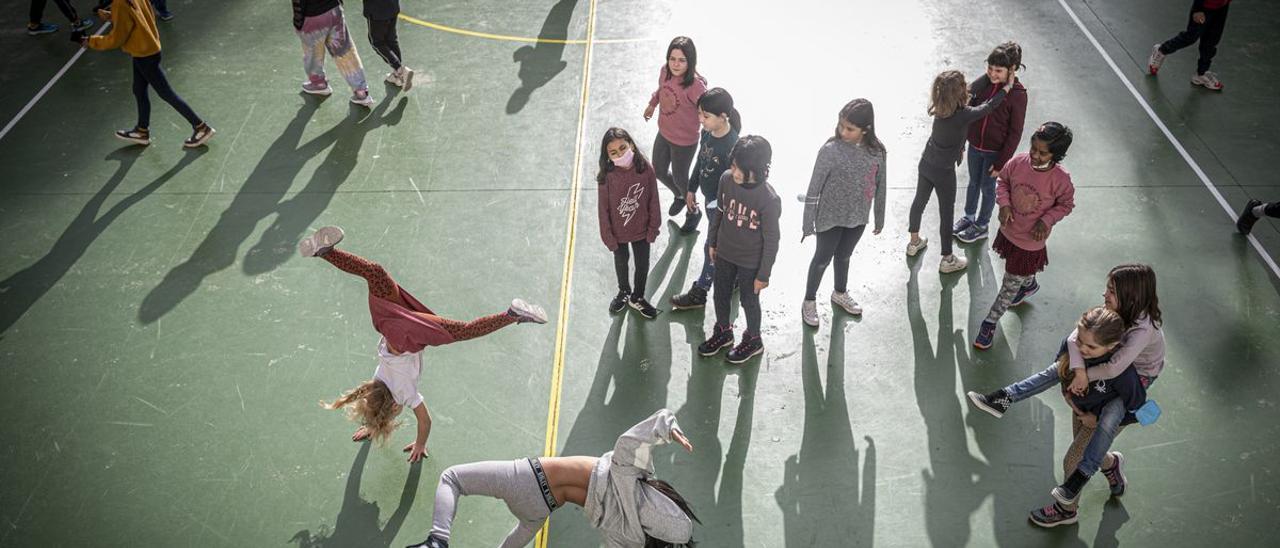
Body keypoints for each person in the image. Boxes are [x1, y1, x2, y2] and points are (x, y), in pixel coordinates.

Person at [297, 226, 548, 463]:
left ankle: (512, 315)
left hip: (405, 335)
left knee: (464, 330)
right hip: (388, 324)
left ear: (394, 409)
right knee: (375, 273)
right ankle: (327, 254)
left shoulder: (404, 394)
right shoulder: (377, 381)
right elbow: (370, 396)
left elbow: (425, 422)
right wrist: (372, 424)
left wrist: (418, 443)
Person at [408, 409, 699, 548]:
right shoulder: (629, 537)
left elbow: (629, 444)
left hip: (526, 479)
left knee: (452, 479)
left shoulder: (629, 477)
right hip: (538, 512)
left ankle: (437, 541)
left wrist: (666, 427)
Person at [973, 122, 1075, 349]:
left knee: (1009, 284)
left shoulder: (1060, 180)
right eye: (1033, 148)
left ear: (1056, 155)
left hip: (1030, 242)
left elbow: (1066, 205)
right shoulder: (1018, 162)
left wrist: (1046, 220)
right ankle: (1028, 284)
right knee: (1018, 274)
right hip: (1009, 232)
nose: (1035, 155)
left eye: (1042, 153)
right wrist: (1004, 204)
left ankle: (990, 322)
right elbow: (1002, 182)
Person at [906, 70, 1012, 273]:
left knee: (919, 201)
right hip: (944, 173)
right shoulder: (963, 115)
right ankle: (947, 259)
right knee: (946, 213)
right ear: (959, 92)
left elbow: (971, 89)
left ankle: (914, 242)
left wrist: (988, 74)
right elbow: (988, 107)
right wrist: (1005, 88)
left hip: (926, 163)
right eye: (963, 86)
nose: (967, 88)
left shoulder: (940, 108)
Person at [79, 0, 215, 147]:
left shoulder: (119, 3)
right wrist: (113, 16)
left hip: (144, 54)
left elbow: (116, 39)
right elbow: (138, 16)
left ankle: (201, 128)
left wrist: (91, 41)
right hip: (147, 48)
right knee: (138, 89)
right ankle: (142, 131)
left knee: (166, 93)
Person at [799, 98, 887, 326]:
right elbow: (814, 188)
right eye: (841, 126)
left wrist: (879, 216)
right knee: (821, 260)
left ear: (865, 129)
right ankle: (809, 300)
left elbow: (880, 185)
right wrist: (808, 223)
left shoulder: (877, 152)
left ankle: (839, 293)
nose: (843, 132)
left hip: (857, 218)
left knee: (844, 256)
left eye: (850, 129)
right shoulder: (829, 151)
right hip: (829, 218)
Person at [698, 135, 781, 364]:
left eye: (740, 169)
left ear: (759, 170)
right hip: (725, 253)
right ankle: (723, 331)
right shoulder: (726, 180)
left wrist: (763, 274)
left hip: (750, 262)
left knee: (749, 301)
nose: (734, 172)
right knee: (720, 293)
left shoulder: (769, 200)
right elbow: (720, 214)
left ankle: (754, 339)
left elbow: (772, 240)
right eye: (733, 165)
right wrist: (713, 242)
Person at [670, 87, 741, 309]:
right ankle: (736, 277)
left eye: (706, 116)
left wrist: (719, 213)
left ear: (723, 117)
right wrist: (691, 188)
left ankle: (700, 292)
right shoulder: (707, 133)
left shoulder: (732, 148)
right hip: (708, 199)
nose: (700, 120)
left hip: (719, 208)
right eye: (699, 114)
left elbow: (735, 187)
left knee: (712, 247)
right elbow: (701, 161)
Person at [954, 42, 1028, 244]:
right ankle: (969, 217)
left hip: (995, 153)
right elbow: (968, 92)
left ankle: (982, 224)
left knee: (987, 188)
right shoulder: (984, 84)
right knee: (973, 183)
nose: (992, 74)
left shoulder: (1018, 95)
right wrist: (963, 143)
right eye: (989, 68)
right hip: (975, 146)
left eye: (998, 70)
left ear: (1011, 70)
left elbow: (1015, 132)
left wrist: (1002, 162)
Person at [596, 127, 662, 319]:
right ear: (607, 156)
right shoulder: (606, 177)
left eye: (623, 148)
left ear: (631, 144)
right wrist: (608, 237)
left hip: (642, 231)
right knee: (621, 262)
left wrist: (653, 229)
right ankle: (624, 291)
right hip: (618, 233)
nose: (620, 154)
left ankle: (638, 297)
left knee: (642, 265)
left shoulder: (646, 169)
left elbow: (653, 200)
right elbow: (603, 210)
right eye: (613, 152)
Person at [644, 36, 708, 231]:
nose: (676, 64)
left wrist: (710, 134)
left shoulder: (695, 86)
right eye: (672, 58)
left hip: (684, 142)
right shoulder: (665, 72)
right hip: (664, 132)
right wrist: (652, 104)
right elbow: (661, 90)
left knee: (682, 179)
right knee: (658, 170)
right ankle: (679, 195)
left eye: (682, 60)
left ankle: (693, 211)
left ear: (690, 61)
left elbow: (707, 110)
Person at [292, 0, 373, 106]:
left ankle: (318, 83)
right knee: (344, 51)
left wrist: (298, 22)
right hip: (334, 11)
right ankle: (361, 91)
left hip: (312, 17)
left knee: (313, 54)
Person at [1147, 0, 1232, 90]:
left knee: (1212, 41)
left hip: (1222, 6)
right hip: (1204, 7)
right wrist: (1197, 9)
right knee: (1190, 37)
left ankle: (1201, 73)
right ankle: (1162, 50)